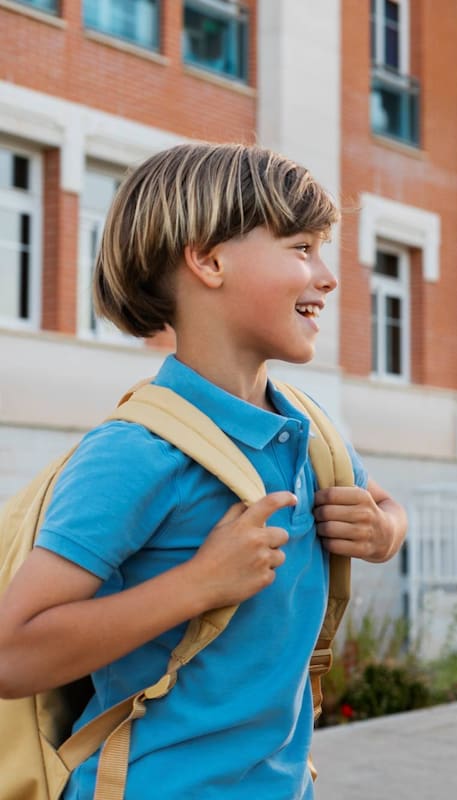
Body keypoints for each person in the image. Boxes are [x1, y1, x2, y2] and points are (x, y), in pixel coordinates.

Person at [0, 142, 407, 799]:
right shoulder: (135, 453)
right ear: (210, 260)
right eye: (301, 248)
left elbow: (383, 505)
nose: (327, 277)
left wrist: (385, 528)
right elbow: (11, 654)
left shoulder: (307, 432)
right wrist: (200, 583)